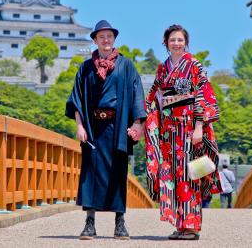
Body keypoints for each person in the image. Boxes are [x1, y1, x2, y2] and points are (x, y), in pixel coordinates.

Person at [65, 20, 146, 240]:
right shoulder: (86, 67)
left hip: (117, 127)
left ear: (114, 39)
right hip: (93, 128)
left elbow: (137, 94)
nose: (106, 40)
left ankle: (120, 223)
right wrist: (80, 126)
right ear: (95, 40)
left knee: (118, 173)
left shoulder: (126, 65)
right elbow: (77, 99)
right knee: (89, 174)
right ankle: (89, 223)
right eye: (101, 37)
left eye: (109, 36)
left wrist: (138, 124)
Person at [144, 24, 222, 240]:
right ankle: (179, 223)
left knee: (189, 174)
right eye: (172, 40)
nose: (176, 43)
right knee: (171, 175)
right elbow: (153, 98)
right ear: (166, 43)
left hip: (188, 127)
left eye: (180, 40)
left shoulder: (194, 65)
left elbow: (202, 95)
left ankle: (192, 225)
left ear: (186, 42)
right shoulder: (162, 68)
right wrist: (149, 123)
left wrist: (199, 127)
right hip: (168, 130)